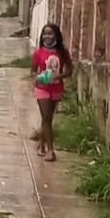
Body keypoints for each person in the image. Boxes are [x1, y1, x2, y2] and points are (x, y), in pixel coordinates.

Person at [33, 23, 73, 162]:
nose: (47, 36)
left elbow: (69, 71)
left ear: (56, 35)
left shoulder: (62, 52)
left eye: (50, 34)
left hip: (56, 89)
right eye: (45, 34)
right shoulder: (38, 53)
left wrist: (58, 77)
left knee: (48, 118)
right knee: (46, 117)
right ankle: (50, 151)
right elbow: (33, 71)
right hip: (42, 88)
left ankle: (41, 143)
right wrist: (40, 78)